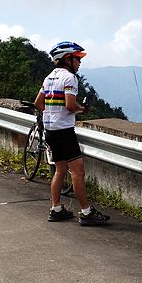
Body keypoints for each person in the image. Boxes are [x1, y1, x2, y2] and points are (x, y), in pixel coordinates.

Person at [33, 41, 110, 225]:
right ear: (67, 59)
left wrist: (52, 114)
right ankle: (86, 212)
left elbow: (38, 103)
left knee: (59, 170)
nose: (80, 63)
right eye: (77, 59)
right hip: (64, 131)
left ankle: (56, 208)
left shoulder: (48, 77)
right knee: (78, 172)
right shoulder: (70, 78)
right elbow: (70, 105)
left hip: (51, 129)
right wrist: (82, 109)